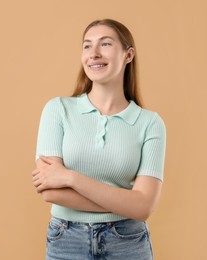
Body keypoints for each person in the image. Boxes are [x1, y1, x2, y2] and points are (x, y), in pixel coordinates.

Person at [32, 18, 166, 260]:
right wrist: (127, 203)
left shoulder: (150, 123)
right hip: (66, 241)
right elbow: (51, 193)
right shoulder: (58, 110)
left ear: (128, 55)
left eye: (105, 44)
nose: (93, 53)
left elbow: (144, 208)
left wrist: (70, 177)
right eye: (86, 46)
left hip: (127, 242)